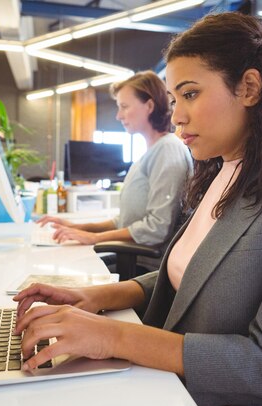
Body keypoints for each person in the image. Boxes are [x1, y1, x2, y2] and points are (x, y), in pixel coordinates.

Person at [15, 12, 262, 406]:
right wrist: (98, 296)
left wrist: (112, 337)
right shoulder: (221, 174)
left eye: (190, 94)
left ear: (248, 87)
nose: (176, 116)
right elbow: (193, 274)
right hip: (175, 391)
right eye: (175, 100)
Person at [37, 71, 192, 271]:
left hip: (148, 269)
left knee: (65, 272)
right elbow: (125, 221)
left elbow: (156, 228)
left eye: (124, 107)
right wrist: (76, 227)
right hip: (131, 256)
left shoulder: (167, 150)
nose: (119, 115)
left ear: (150, 106)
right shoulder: (151, 152)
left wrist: (94, 238)